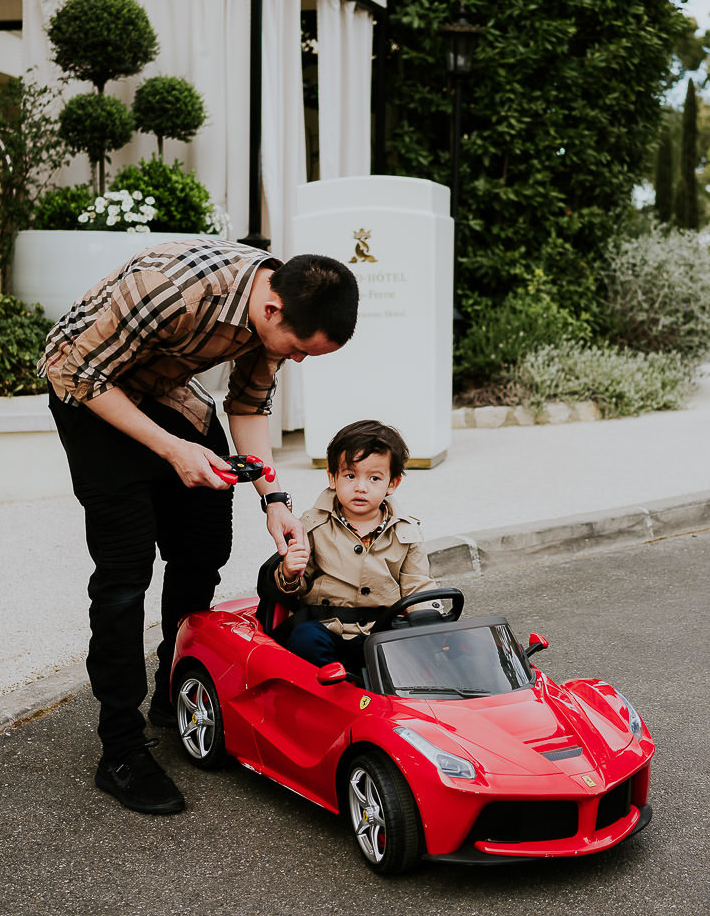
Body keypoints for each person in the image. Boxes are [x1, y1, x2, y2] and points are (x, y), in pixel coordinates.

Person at [41, 239, 358, 815]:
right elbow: (78, 370)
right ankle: (120, 748)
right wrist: (171, 451)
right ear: (271, 312)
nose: (301, 361)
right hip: (88, 388)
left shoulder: (277, 310)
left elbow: (247, 405)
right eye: (300, 350)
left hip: (166, 390)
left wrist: (274, 497)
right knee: (125, 574)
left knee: (205, 545)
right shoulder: (173, 289)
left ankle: (172, 690)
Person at [270, 420, 437, 671]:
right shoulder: (312, 526)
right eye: (350, 475)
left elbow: (417, 584)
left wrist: (428, 619)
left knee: (414, 652)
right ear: (332, 478)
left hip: (378, 633)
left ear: (392, 483)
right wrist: (290, 573)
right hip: (326, 627)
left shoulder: (407, 532)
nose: (360, 487)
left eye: (374, 478)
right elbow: (298, 588)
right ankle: (335, 691)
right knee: (304, 639)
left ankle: (374, 693)